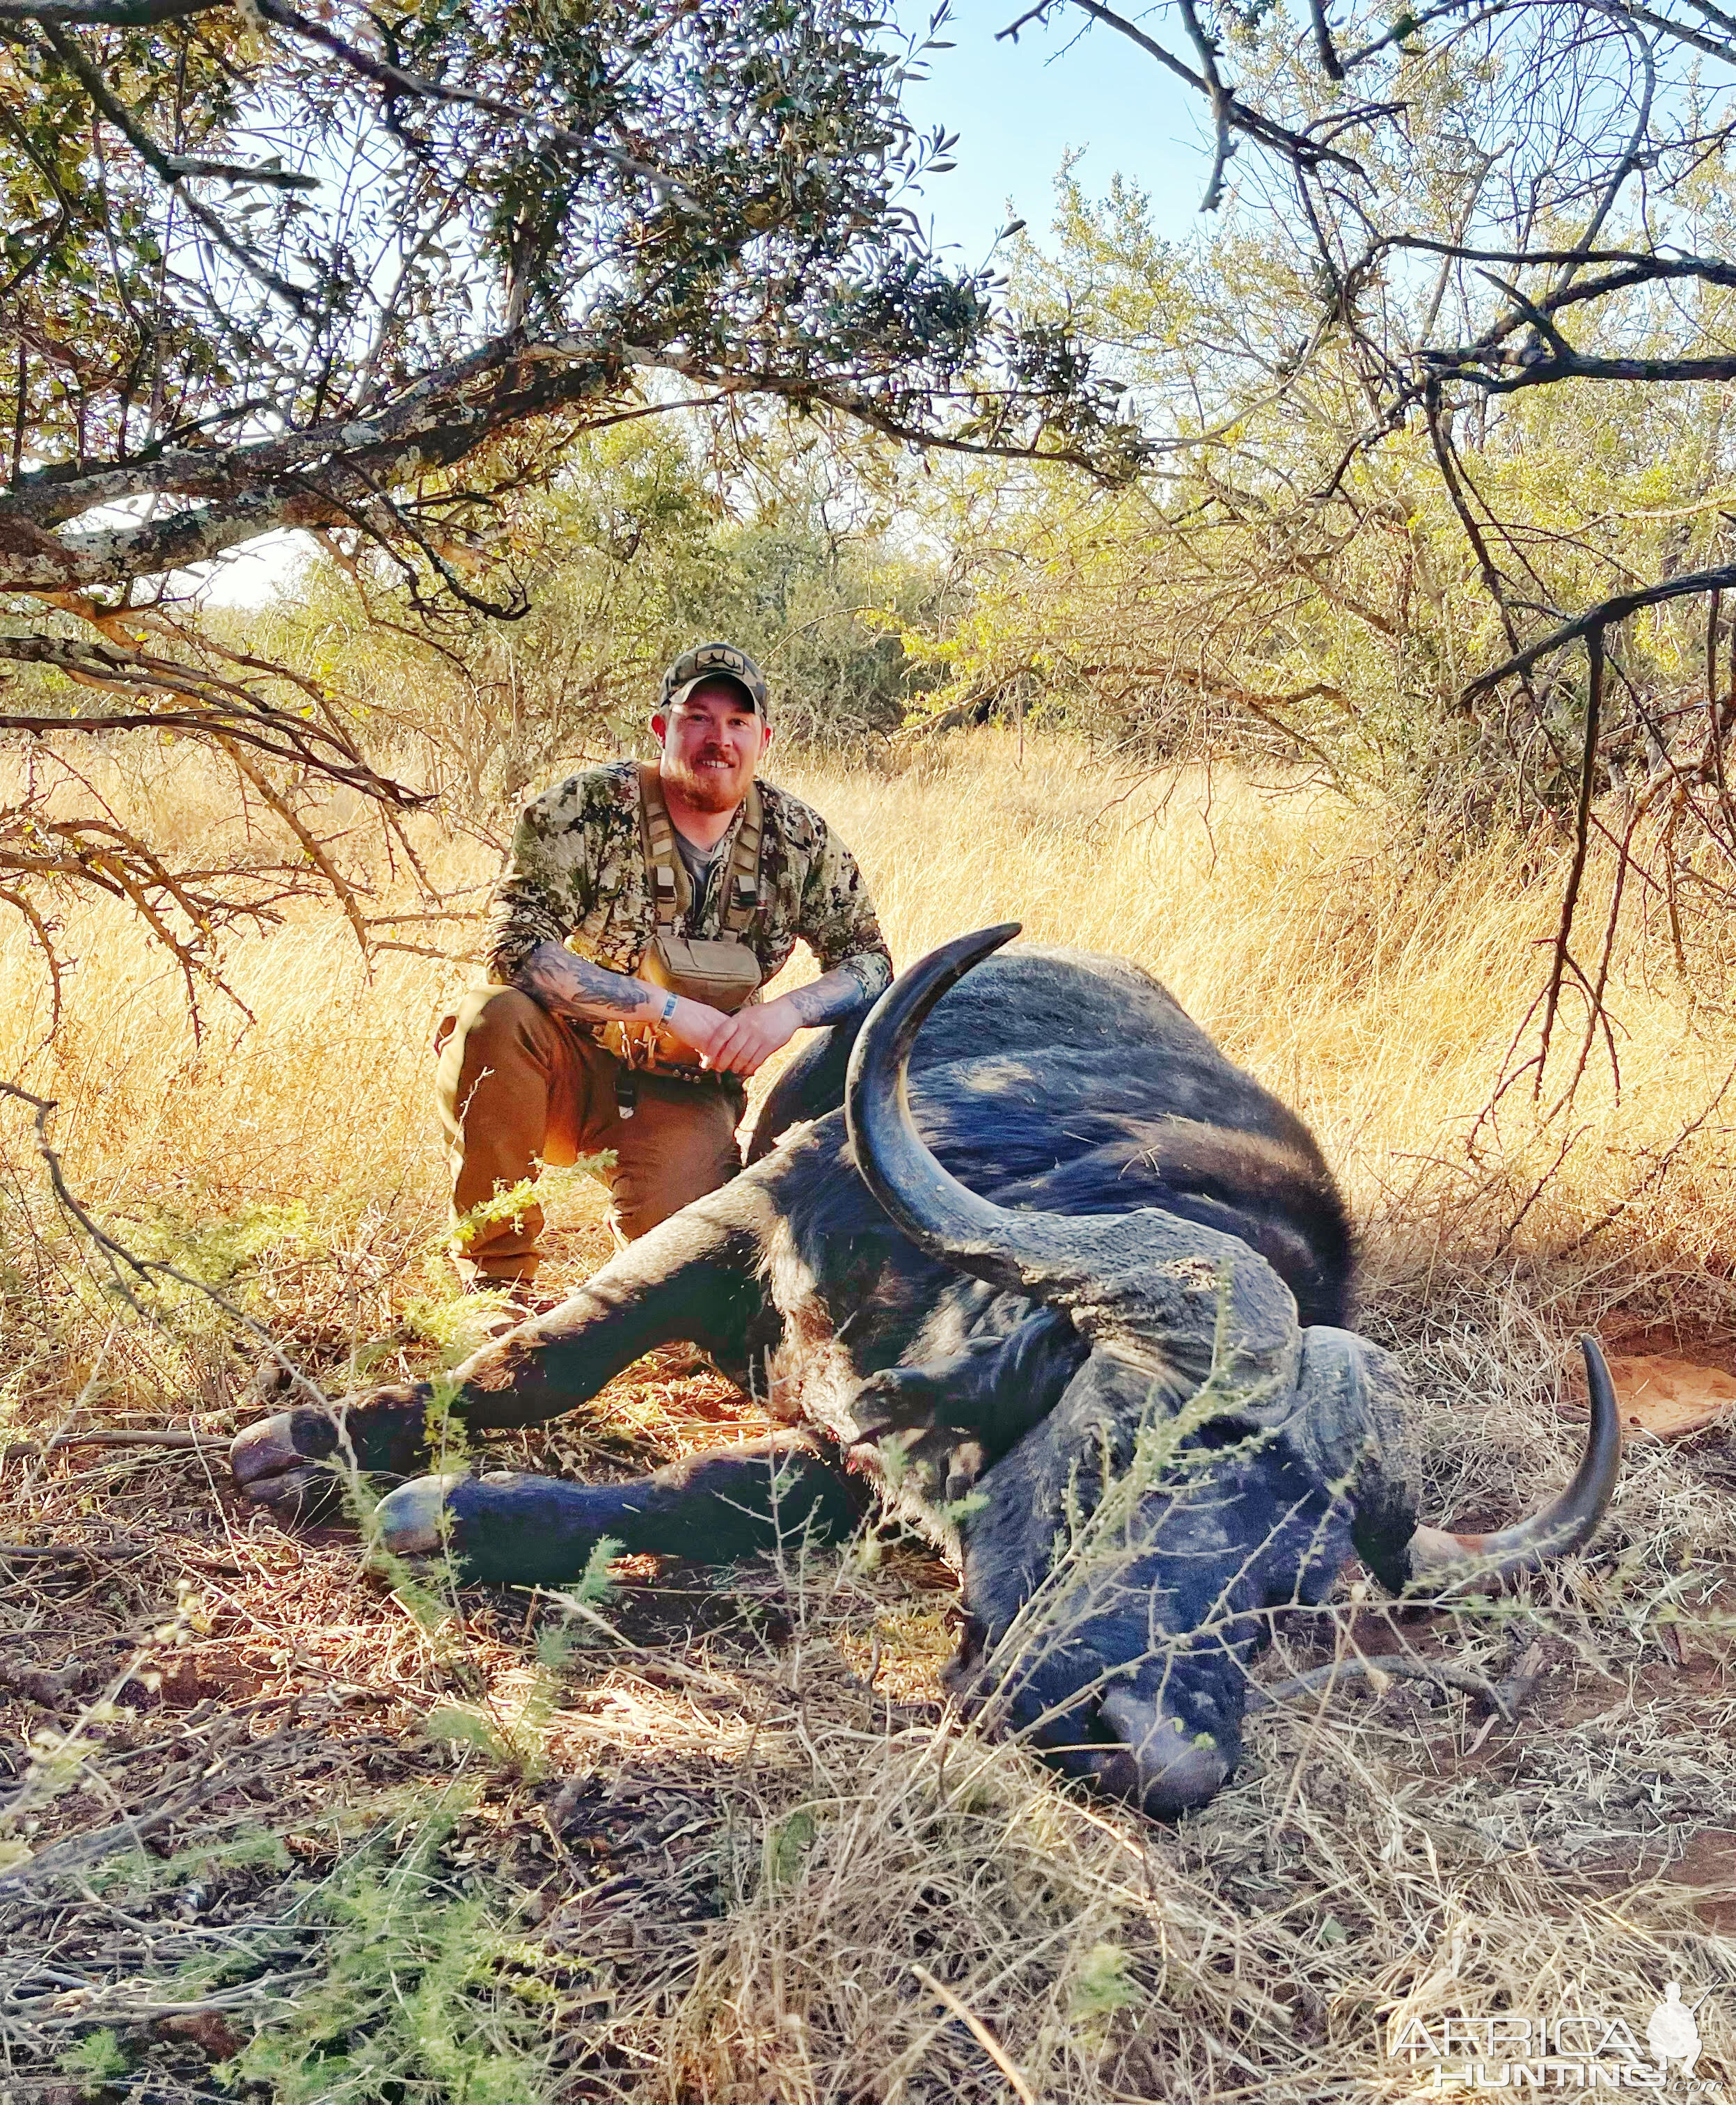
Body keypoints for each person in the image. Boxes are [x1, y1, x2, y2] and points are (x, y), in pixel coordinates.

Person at [435, 640, 893, 1287]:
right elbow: (514, 949)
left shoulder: (801, 840)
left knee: (691, 1288)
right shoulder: (585, 810)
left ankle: (648, 1230)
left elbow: (871, 963)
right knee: (489, 1017)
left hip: (683, 1089)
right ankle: (496, 1278)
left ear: (763, 737)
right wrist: (668, 1008)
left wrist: (786, 1013)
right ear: (662, 728)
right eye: (697, 717)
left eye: (737, 723)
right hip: (561, 1067)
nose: (718, 740)